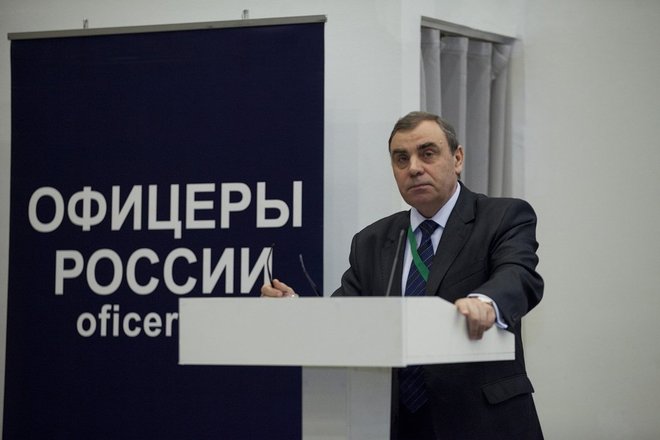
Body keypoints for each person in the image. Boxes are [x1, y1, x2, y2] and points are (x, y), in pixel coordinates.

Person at [262, 111, 543, 439]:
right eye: (401, 158)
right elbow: (346, 316)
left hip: (482, 421)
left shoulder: (502, 216)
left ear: (457, 159)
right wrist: (295, 309)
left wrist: (486, 302)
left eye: (427, 153)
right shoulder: (372, 241)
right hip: (396, 424)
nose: (414, 168)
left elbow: (519, 274)